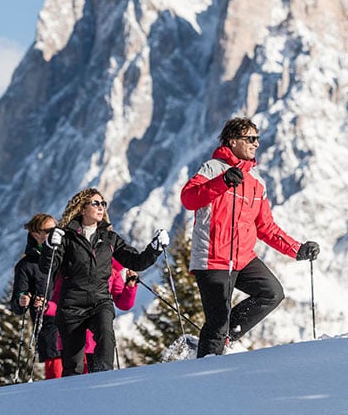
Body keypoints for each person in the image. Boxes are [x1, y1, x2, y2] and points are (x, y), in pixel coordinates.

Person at [181, 116, 320, 357]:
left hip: (243, 259)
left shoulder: (256, 182)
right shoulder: (213, 168)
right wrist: (222, 182)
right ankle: (204, 372)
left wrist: (297, 249)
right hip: (213, 259)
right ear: (232, 141)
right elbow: (189, 198)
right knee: (216, 323)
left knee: (272, 293)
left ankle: (224, 337)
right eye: (250, 138)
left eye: (257, 139)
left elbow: (266, 226)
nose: (256, 144)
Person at [42, 189, 167, 376]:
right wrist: (50, 247)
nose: (101, 207)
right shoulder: (66, 238)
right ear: (82, 209)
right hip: (71, 305)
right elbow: (48, 268)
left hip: (100, 300)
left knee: (105, 333)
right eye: (95, 203)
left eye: (103, 204)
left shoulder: (109, 238)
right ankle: (72, 402)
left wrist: (154, 249)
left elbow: (136, 261)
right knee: (72, 368)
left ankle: (103, 379)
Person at [10, 213, 62, 378]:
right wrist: (22, 300)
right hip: (50, 333)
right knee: (58, 386)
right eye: (49, 231)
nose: (54, 233)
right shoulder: (26, 266)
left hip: (74, 327)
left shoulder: (65, 257)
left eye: (56, 229)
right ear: (36, 235)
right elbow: (16, 306)